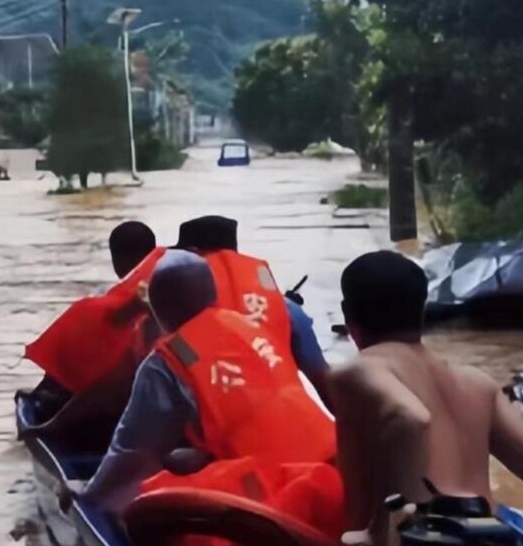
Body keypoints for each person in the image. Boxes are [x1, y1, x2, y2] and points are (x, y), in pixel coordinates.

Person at [82, 250, 341, 542]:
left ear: (158, 308)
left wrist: (89, 498)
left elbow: (131, 455)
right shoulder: (251, 327)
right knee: (185, 459)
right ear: (212, 294)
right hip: (335, 478)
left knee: (153, 500)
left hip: (274, 501)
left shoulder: (169, 359)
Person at [331, 251, 523, 546]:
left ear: (347, 314)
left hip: (424, 538)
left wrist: (380, 529)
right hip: (486, 536)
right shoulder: (476, 382)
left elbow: (411, 419)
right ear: (421, 309)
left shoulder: (355, 372)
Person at [23, 221, 168, 436]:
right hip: (160, 418)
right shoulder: (181, 298)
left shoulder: (91, 311)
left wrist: (51, 423)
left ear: (116, 260)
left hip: (112, 419)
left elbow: (108, 385)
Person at [173, 215, 332, 409]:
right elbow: (324, 380)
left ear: (191, 254)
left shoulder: (177, 314)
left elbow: (180, 365)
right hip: (286, 421)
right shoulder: (288, 310)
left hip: (216, 423)